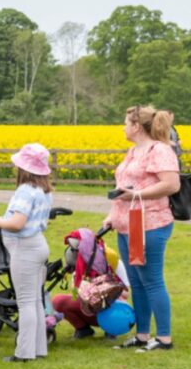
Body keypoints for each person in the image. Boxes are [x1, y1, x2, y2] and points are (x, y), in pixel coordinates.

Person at [107, 105, 179, 351]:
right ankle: (142, 334)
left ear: (136, 126)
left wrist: (137, 194)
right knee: (136, 282)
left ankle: (164, 338)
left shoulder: (159, 150)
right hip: (126, 225)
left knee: (152, 280)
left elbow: (171, 184)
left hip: (151, 224)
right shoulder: (133, 151)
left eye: (126, 123)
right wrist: (111, 216)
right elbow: (123, 188)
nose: (124, 127)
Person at [0, 144, 55, 362]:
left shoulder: (25, 191)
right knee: (35, 300)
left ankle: (23, 353)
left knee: (25, 302)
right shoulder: (44, 191)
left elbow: (17, 223)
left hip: (25, 248)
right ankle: (39, 349)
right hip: (38, 245)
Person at [51, 227, 125, 339]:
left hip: (110, 310)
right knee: (58, 301)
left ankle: (111, 330)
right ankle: (83, 329)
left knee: (114, 301)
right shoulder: (79, 264)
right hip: (88, 309)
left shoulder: (111, 259)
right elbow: (76, 295)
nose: (75, 251)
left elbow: (125, 294)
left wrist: (102, 289)